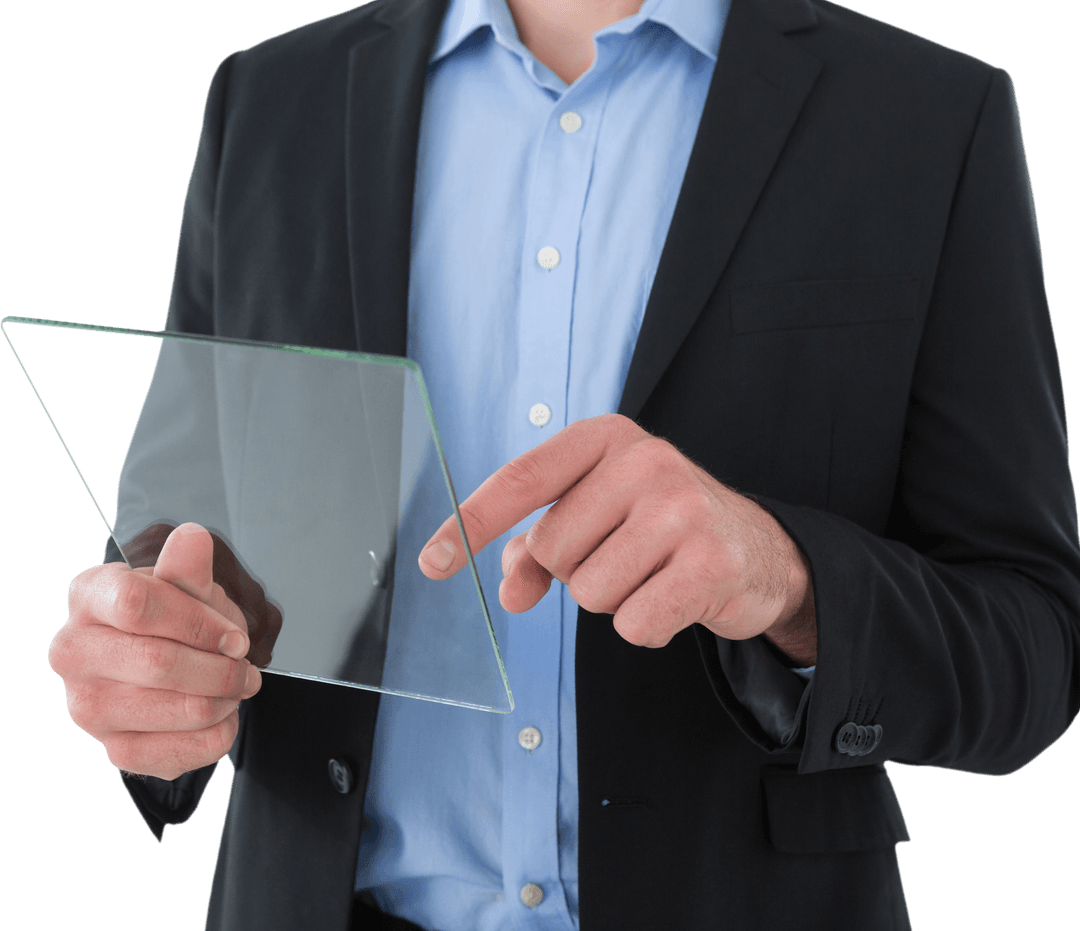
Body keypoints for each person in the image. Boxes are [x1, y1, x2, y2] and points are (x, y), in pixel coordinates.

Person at [39, 0, 1080, 928]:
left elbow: (1033, 642)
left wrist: (785, 577)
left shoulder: (925, 117)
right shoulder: (268, 100)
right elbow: (174, 558)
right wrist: (151, 673)